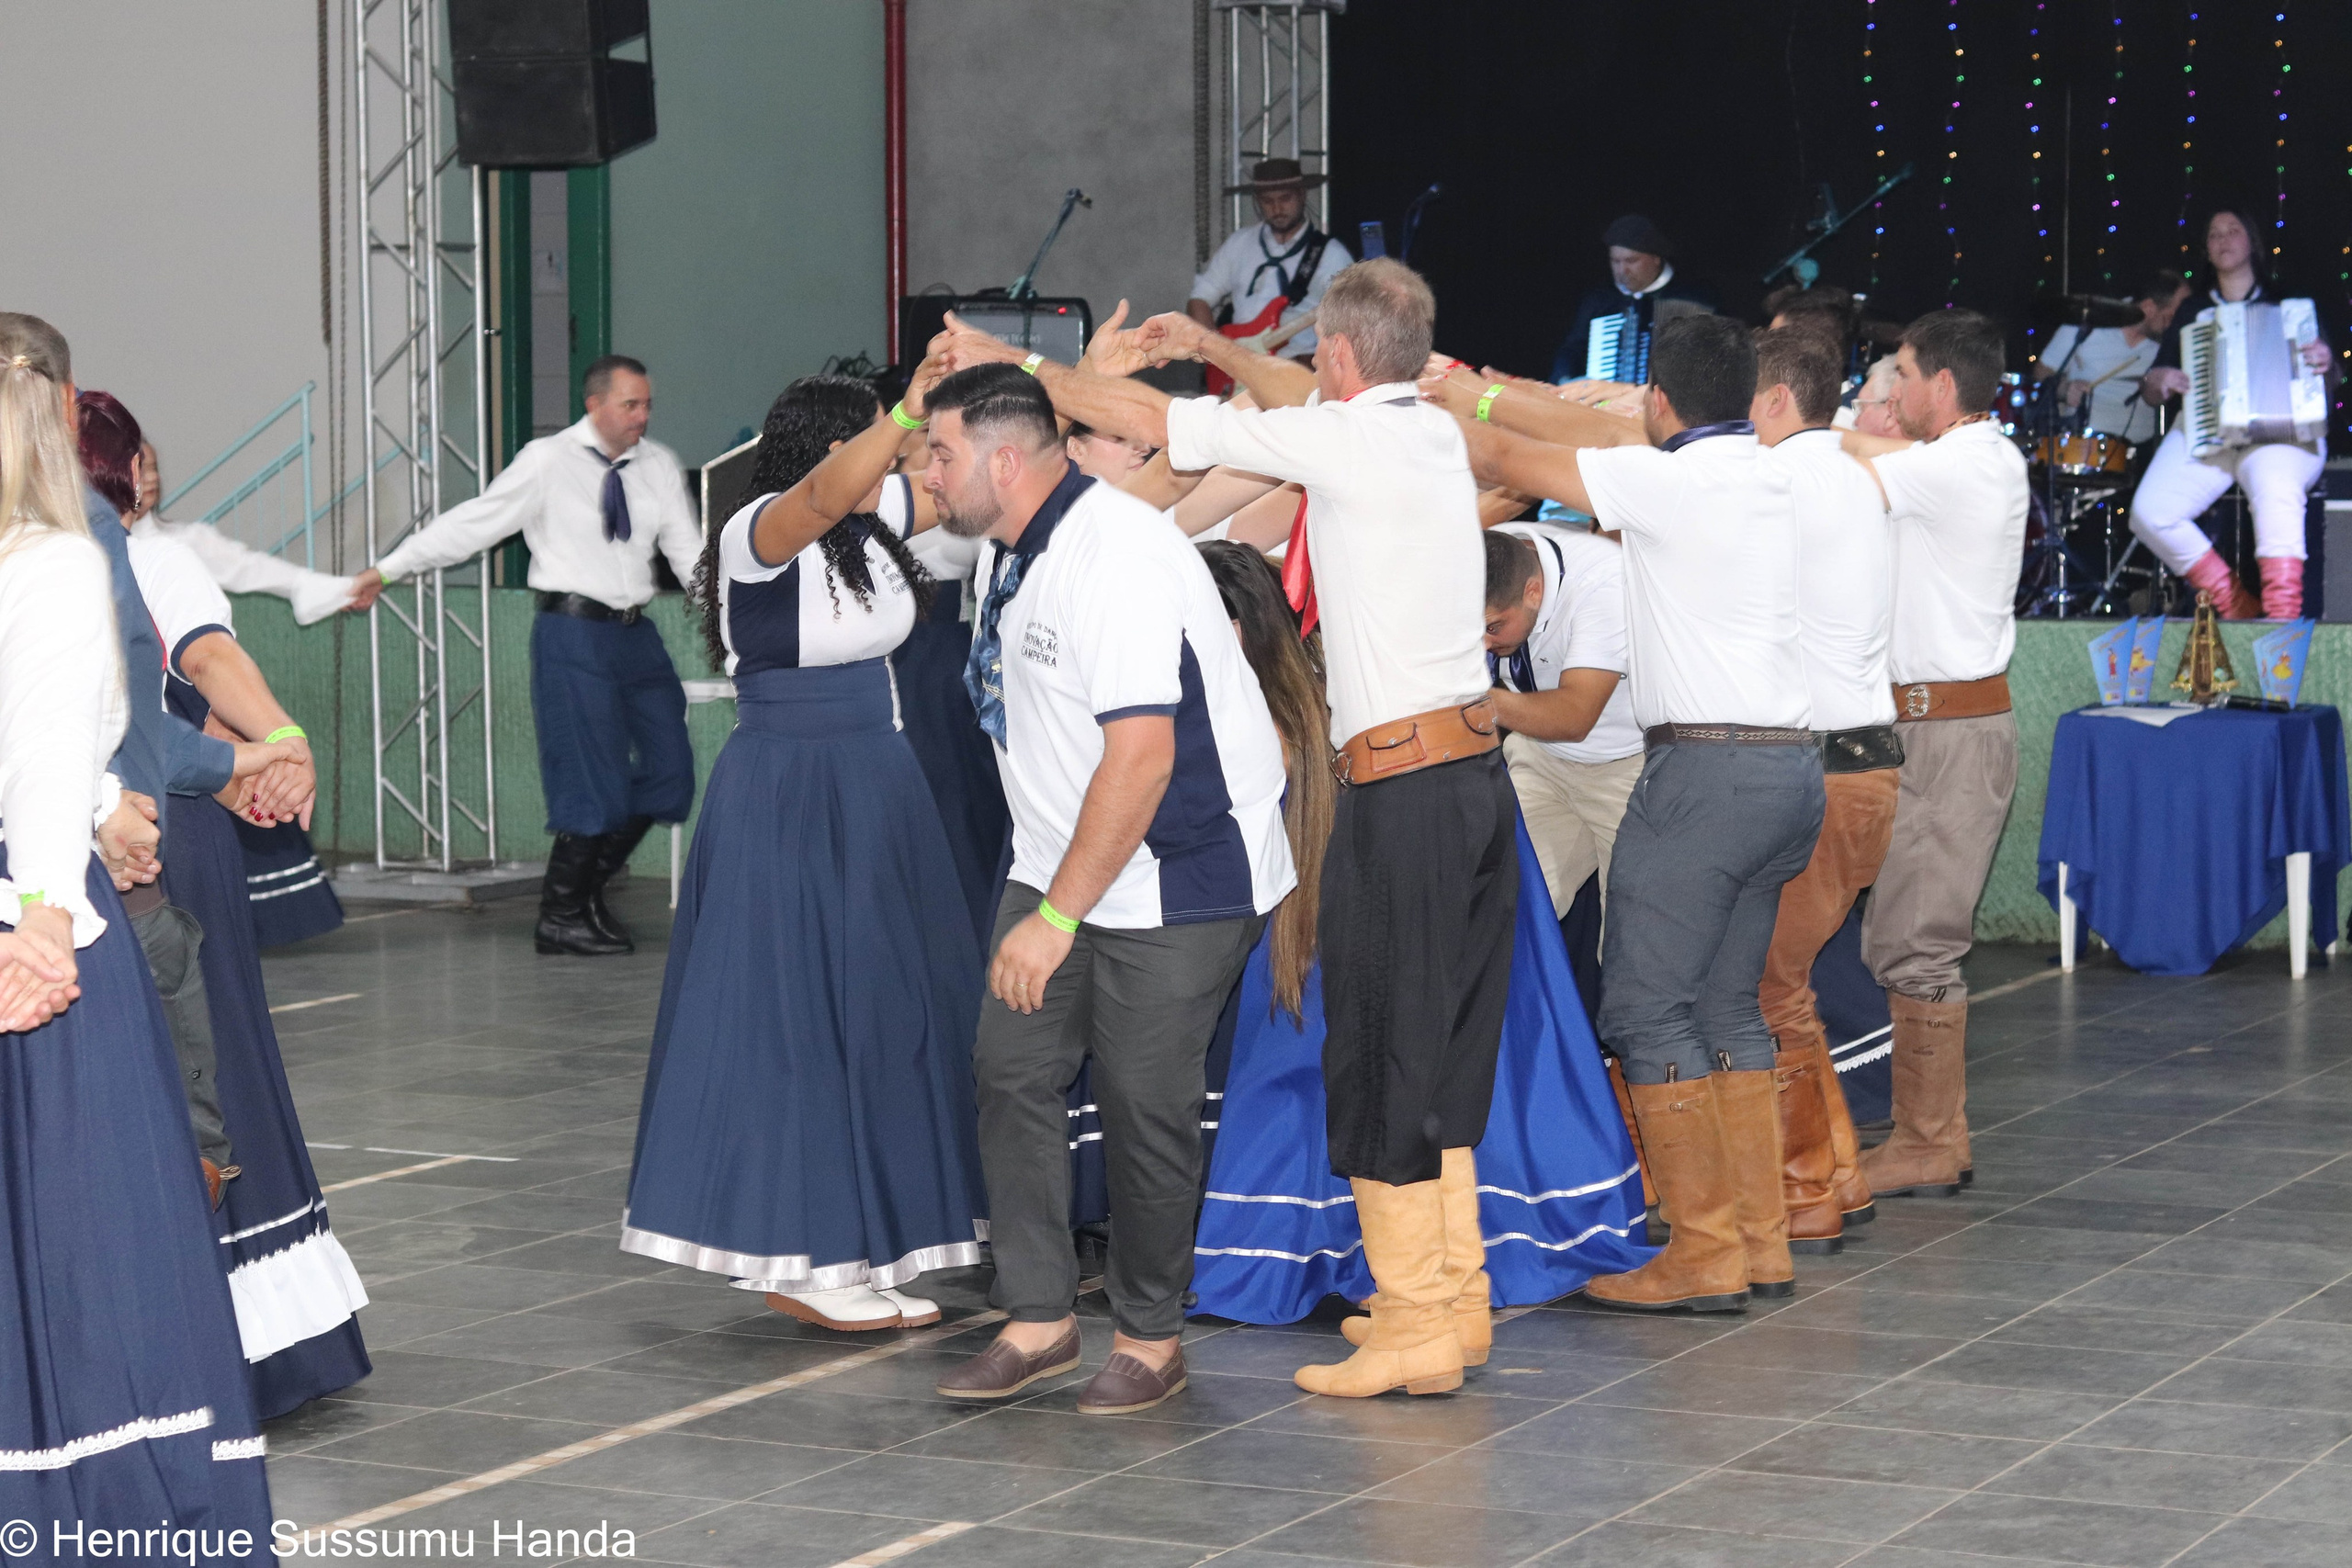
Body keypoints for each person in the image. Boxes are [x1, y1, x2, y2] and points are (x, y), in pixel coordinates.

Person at [943, 256, 1518, 1401]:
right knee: (1427, 1058)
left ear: (1337, 355)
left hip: (1370, 797)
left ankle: (1413, 1320)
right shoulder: (1416, 431)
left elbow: (1160, 425)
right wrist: (1213, 349)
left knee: (1381, 1058)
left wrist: (1016, 364)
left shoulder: (1323, 450)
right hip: (1454, 774)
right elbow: (1272, 404)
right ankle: (1448, 1309)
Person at [916, 363, 1291, 1416]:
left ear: (1003, 461)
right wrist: (1047, 894)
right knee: (1011, 1071)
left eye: (939, 453)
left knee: (1142, 1101)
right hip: (1062, 860)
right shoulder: (1009, 545)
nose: (926, 473)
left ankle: (1149, 1338)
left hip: (1180, 870)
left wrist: (1053, 919)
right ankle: (1038, 1319)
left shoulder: (1113, 556)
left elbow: (1141, 759)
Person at [1450, 313, 1824, 1314]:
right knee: (1727, 1007)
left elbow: (1503, 458)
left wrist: (1451, 394)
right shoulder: (1779, 475)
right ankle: (1757, 1242)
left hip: (1705, 771)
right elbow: (1585, 442)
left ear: (1659, 400)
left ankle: (1702, 1251)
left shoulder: (1666, 480)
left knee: (1645, 1009)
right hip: (1791, 768)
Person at [1191, 542, 1654, 1331]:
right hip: (1417, 847)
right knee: (1425, 1061)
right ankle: (1437, 1296)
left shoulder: (1321, 685)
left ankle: (1424, 1303)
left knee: (1415, 1062)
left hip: (1402, 856)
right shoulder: (1310, 679)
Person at [624, 369, 987, 1333]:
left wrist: (1056, 390)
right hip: (791, 790)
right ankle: (807, 1257)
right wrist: (904, 412)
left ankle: (867, 1248)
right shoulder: (760, 530)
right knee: (801, 1020)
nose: (908, 458)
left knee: (879, 1012)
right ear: (836, 447)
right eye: (886, 440)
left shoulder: (873, 525)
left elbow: (979, 489)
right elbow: (824, 495)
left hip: (876, 782)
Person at [0, 313, 274, 1551]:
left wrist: (106, 800)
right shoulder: (55, 559)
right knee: (86, 1224)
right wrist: (45, 920)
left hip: (45, 873)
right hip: (42, 910)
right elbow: (44, 750)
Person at [372, 354, 701, 955]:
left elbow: (690, 556)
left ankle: (582, 894)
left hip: (636, 634)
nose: (642, 416)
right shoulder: (547, 460)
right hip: (573, 632)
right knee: (591, 778)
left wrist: (739, 619)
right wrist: (391, 568)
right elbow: (475, 523)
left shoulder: (657, 465)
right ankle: (563, 912)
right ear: (594, 405)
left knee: (671, 772)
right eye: (630, 404)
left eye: (648, 405)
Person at [1838, 308, 2029, 1203]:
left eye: (1904, 373)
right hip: (1918, 728)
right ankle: (1929, 1136)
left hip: (1949, 731)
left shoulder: (1971, 461)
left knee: (1916, 942)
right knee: (1899, 935)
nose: (1896, 388)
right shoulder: (1951, 463)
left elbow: (1842, 459)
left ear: (1942, 385)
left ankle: (1927, 1140)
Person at [86, 415, 349, 949]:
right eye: (142, 465)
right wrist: (278, 740)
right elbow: (205, 659)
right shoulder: (148, 558)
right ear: (127, 473)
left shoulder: (163, 549)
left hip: (126, 805)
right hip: (158, 808)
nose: (150, 477)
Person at [1747, 328, 1898, 1255]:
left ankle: (1806, 1190)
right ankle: (1835, 1174)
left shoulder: (1781, 477)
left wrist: (1490, 402)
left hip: (1826, 766)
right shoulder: (1847, 472)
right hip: (1859, 762)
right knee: (1785, 986)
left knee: (1769, 987)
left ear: (1772, 399)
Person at [2132, 209, 2338, 618]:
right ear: (2207, 251)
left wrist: (2326, 361)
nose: (2223, 239)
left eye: (2233, 231)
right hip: (2208, 430)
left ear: (2252, 243)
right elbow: (2152, 389)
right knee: (2150, 512)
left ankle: (2281, 620)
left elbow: (2330, 380)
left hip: (2282, 430)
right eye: (2214, 234)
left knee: (2274, 483)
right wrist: (2159, 379)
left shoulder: (2290, 302)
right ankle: (2237, 606)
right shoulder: (2192, 311)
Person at [1479, 525, 1644, 919]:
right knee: (1503, 912)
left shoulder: (1604, 583)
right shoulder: (1485, 554)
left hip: (1627, 770)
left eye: (1493, 627)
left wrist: (1472, 700)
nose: (1483, 644)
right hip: (1539, 756)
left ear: (1534, 592)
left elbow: (1574, 716)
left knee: (1633, 937)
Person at [128, 439, 385, 624]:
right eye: (142, 469)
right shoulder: (105, 547)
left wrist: (337, 590)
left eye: (154, 468)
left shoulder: (185, 540)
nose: (153, 478)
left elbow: (250, 567)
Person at [1187, 158, 1352, 358]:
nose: (1277, 208)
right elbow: (1199, 299)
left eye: (1285, 198)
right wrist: (1213, 353)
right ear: (1257, 201)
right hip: (1238, 365)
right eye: (1267, 201)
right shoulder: (1239, 243)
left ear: (1302, 195)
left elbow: (1352, 319)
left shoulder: (1331, 254)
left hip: (1300, 365)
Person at [1553, 214, 1719, 384]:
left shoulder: (1695, 299)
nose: (1622, 270)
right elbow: (1572, 350)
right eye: (1615, 261)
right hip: (1606, 397)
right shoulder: (1600, 299)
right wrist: (1565, 379)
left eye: (1631, 261)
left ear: (1656, 258)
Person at [2032, 270, 2189, 446]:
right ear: (2149, 308)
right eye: (2171, 317)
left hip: (2144, 448)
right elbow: (2041, 373)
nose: (2176, 324)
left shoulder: (2172, 343)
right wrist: (2065, 389)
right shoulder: (2088, 320)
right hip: (2085, 443)